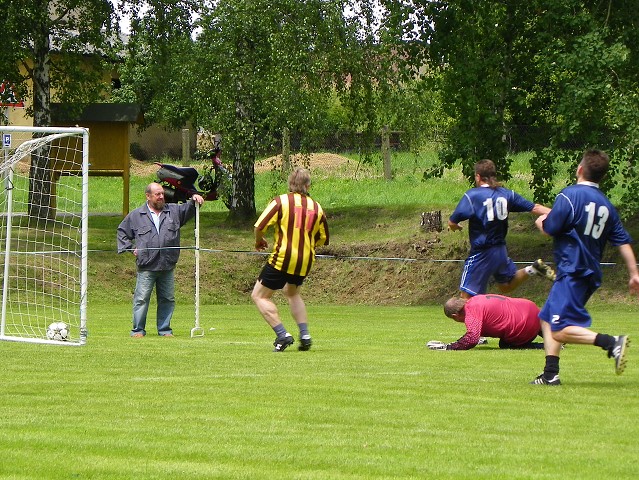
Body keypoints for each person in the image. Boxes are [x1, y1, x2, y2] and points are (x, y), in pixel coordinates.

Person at [531, 149, 639, 385]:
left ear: (580, 169)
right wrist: (634, 273)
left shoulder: (569, 195)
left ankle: (611, 343)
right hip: (588, 271)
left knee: (559, 329)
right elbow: (623, 241)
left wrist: (541, 221)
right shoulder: (607, 206)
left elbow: (551, 227)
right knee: (547, 318)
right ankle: (550, 374)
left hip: (573, 270)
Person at [448, 159, 555, 299]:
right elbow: (535, 207)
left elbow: (452, 222)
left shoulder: (472, 196)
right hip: (500, 251)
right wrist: (559, 214)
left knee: (466, 299)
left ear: (478, 176)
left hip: (482, 252)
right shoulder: (507, 194)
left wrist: (456, 226)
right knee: (506, 286)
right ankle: (532, 269)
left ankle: (478, 321)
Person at [251, 167, 329, 352]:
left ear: (290, 184)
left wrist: (259, 240)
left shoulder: (281, 201)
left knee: (259, 295)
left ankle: (282, 334)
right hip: (305, 260)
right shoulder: (316, 207)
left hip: (283, 256)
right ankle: (305, 335)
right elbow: (322, 238)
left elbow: (259, 225)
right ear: (308, 185)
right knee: (292, 292)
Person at [117, 183, 204, 337]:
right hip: (147, 266)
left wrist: (194, 199)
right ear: (148, 196)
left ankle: (164, 330)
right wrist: (131, 248)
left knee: (167, 299)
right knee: (142, 299)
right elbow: (122, 232)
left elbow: (190, 209)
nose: (161, 197)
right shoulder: (136, 215)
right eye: (157, 194)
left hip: (167, 265)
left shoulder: (174, 211)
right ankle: (138, 330)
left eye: (162, 194)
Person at [428, 294, 544, 350]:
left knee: (505, 345)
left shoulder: (471, 311)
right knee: (528, 324)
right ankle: (553, 339)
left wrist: (449, 347)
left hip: (522, 326)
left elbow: (472, 338)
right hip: (532, 309)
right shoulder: (475, 300)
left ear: (455, 315)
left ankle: (541, 346)